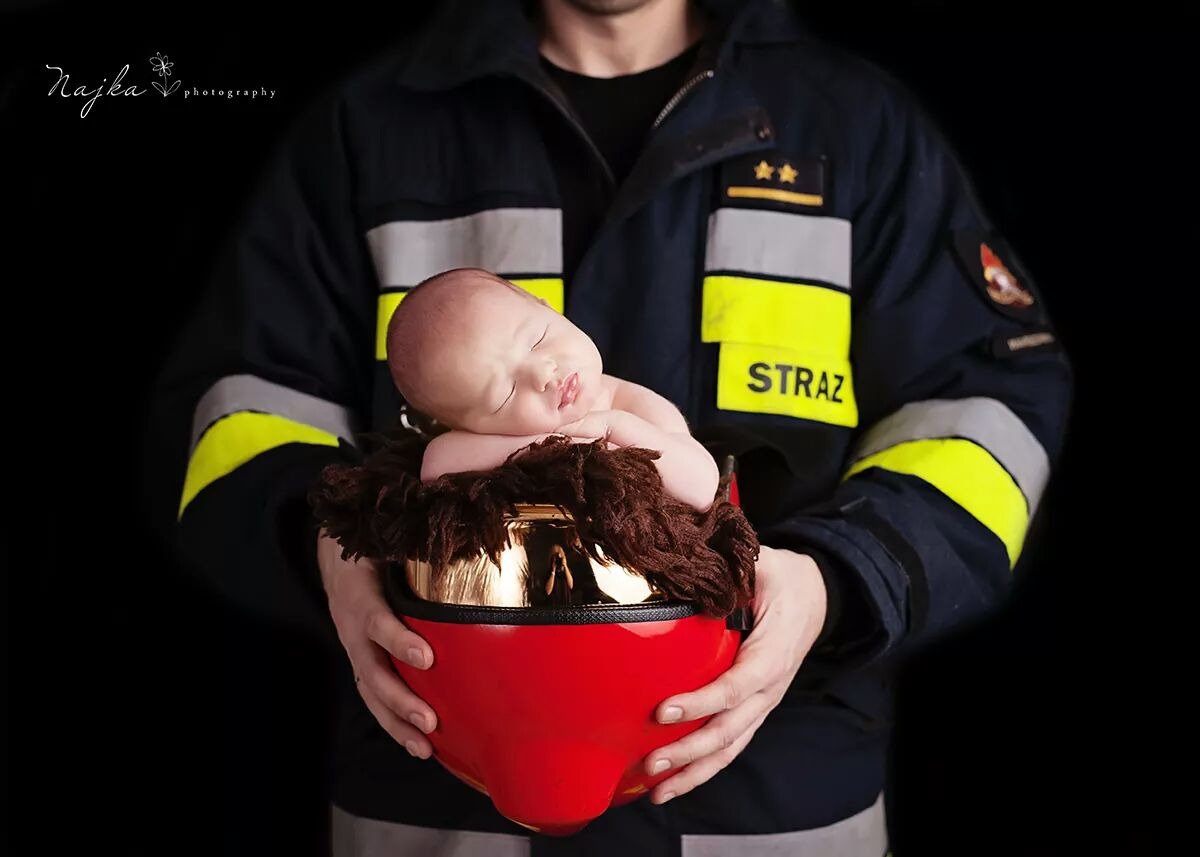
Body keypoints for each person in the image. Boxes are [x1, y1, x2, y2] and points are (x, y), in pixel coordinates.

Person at [145, 0, 1073, 853]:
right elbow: (237, 413)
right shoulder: (373, 134)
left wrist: (836, 580)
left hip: (774, 811)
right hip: (436, 807)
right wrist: (332, 545)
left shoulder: (855, 130)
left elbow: (985, 407)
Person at [385, 265, 721, 512]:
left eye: (537, 341)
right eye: (505, 394)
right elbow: (436, 464)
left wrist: (610, 429)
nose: (542, 374)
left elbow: (703, 485)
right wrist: (554, 445)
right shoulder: (495, 438)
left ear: (549, 309)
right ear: (468, 426)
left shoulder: (635, 405)